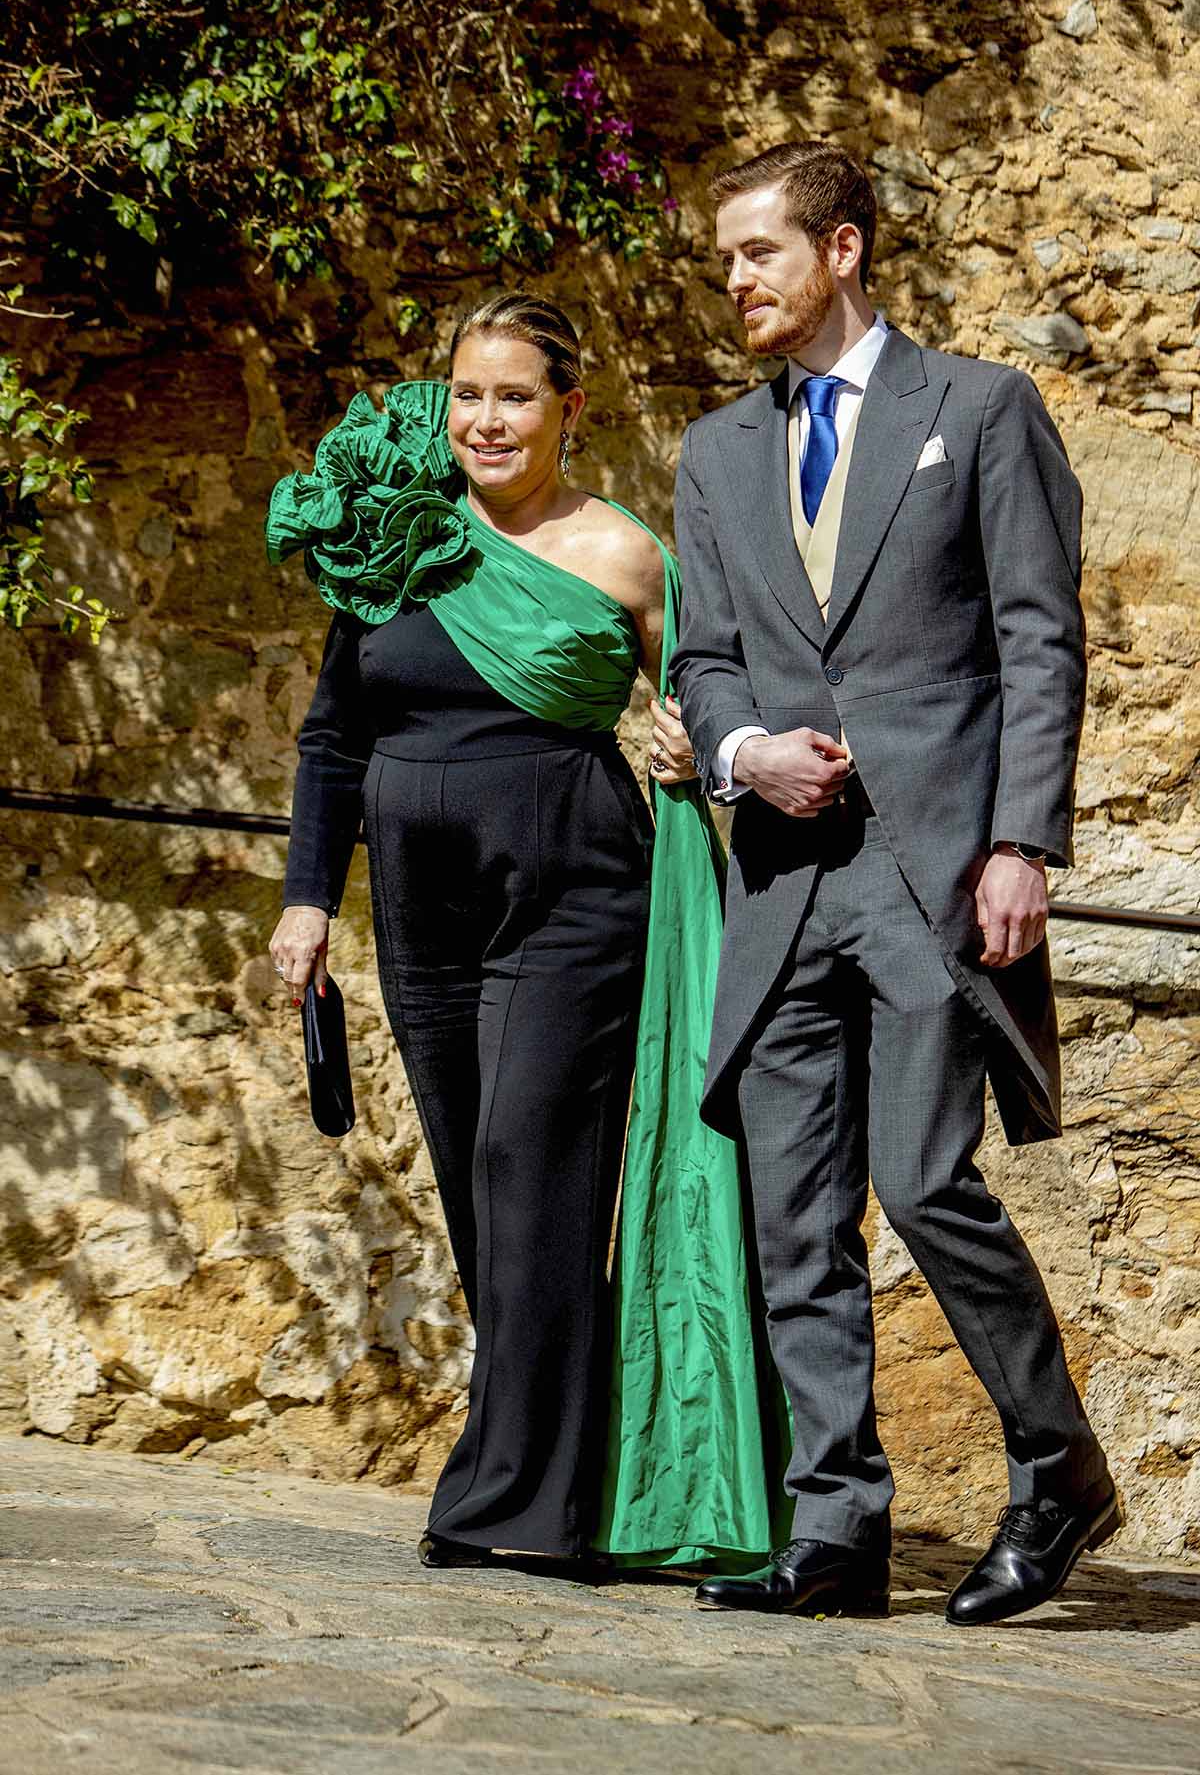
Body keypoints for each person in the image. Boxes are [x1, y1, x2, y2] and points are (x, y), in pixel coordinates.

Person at [669, 140, 1117, 1626]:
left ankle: (1056, 1467)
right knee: (795, 1213)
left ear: (843, 248)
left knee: (925, 1178)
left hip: (932, 872)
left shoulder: (980, 409)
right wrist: (740, 753)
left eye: (758, 251)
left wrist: (1021, 842)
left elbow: (1041, 638)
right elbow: (707, 656)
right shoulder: (717, 453)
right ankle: (836, 1529)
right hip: (786, 875)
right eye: (725, 256)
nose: (733, 278)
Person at [265, 292, 782, 1572]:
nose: (486, 420)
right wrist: (308, 895)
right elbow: (335, 736)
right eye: (468, 395)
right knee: (477, 1191)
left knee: (529, 1175)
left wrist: (687, 746)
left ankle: (513, 1504)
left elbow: (706, 698)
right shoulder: (403, 535)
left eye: (515, 396)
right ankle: (553, 1476)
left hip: (574, 900)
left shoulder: (623, 555)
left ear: (569, 412)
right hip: (421, 916)